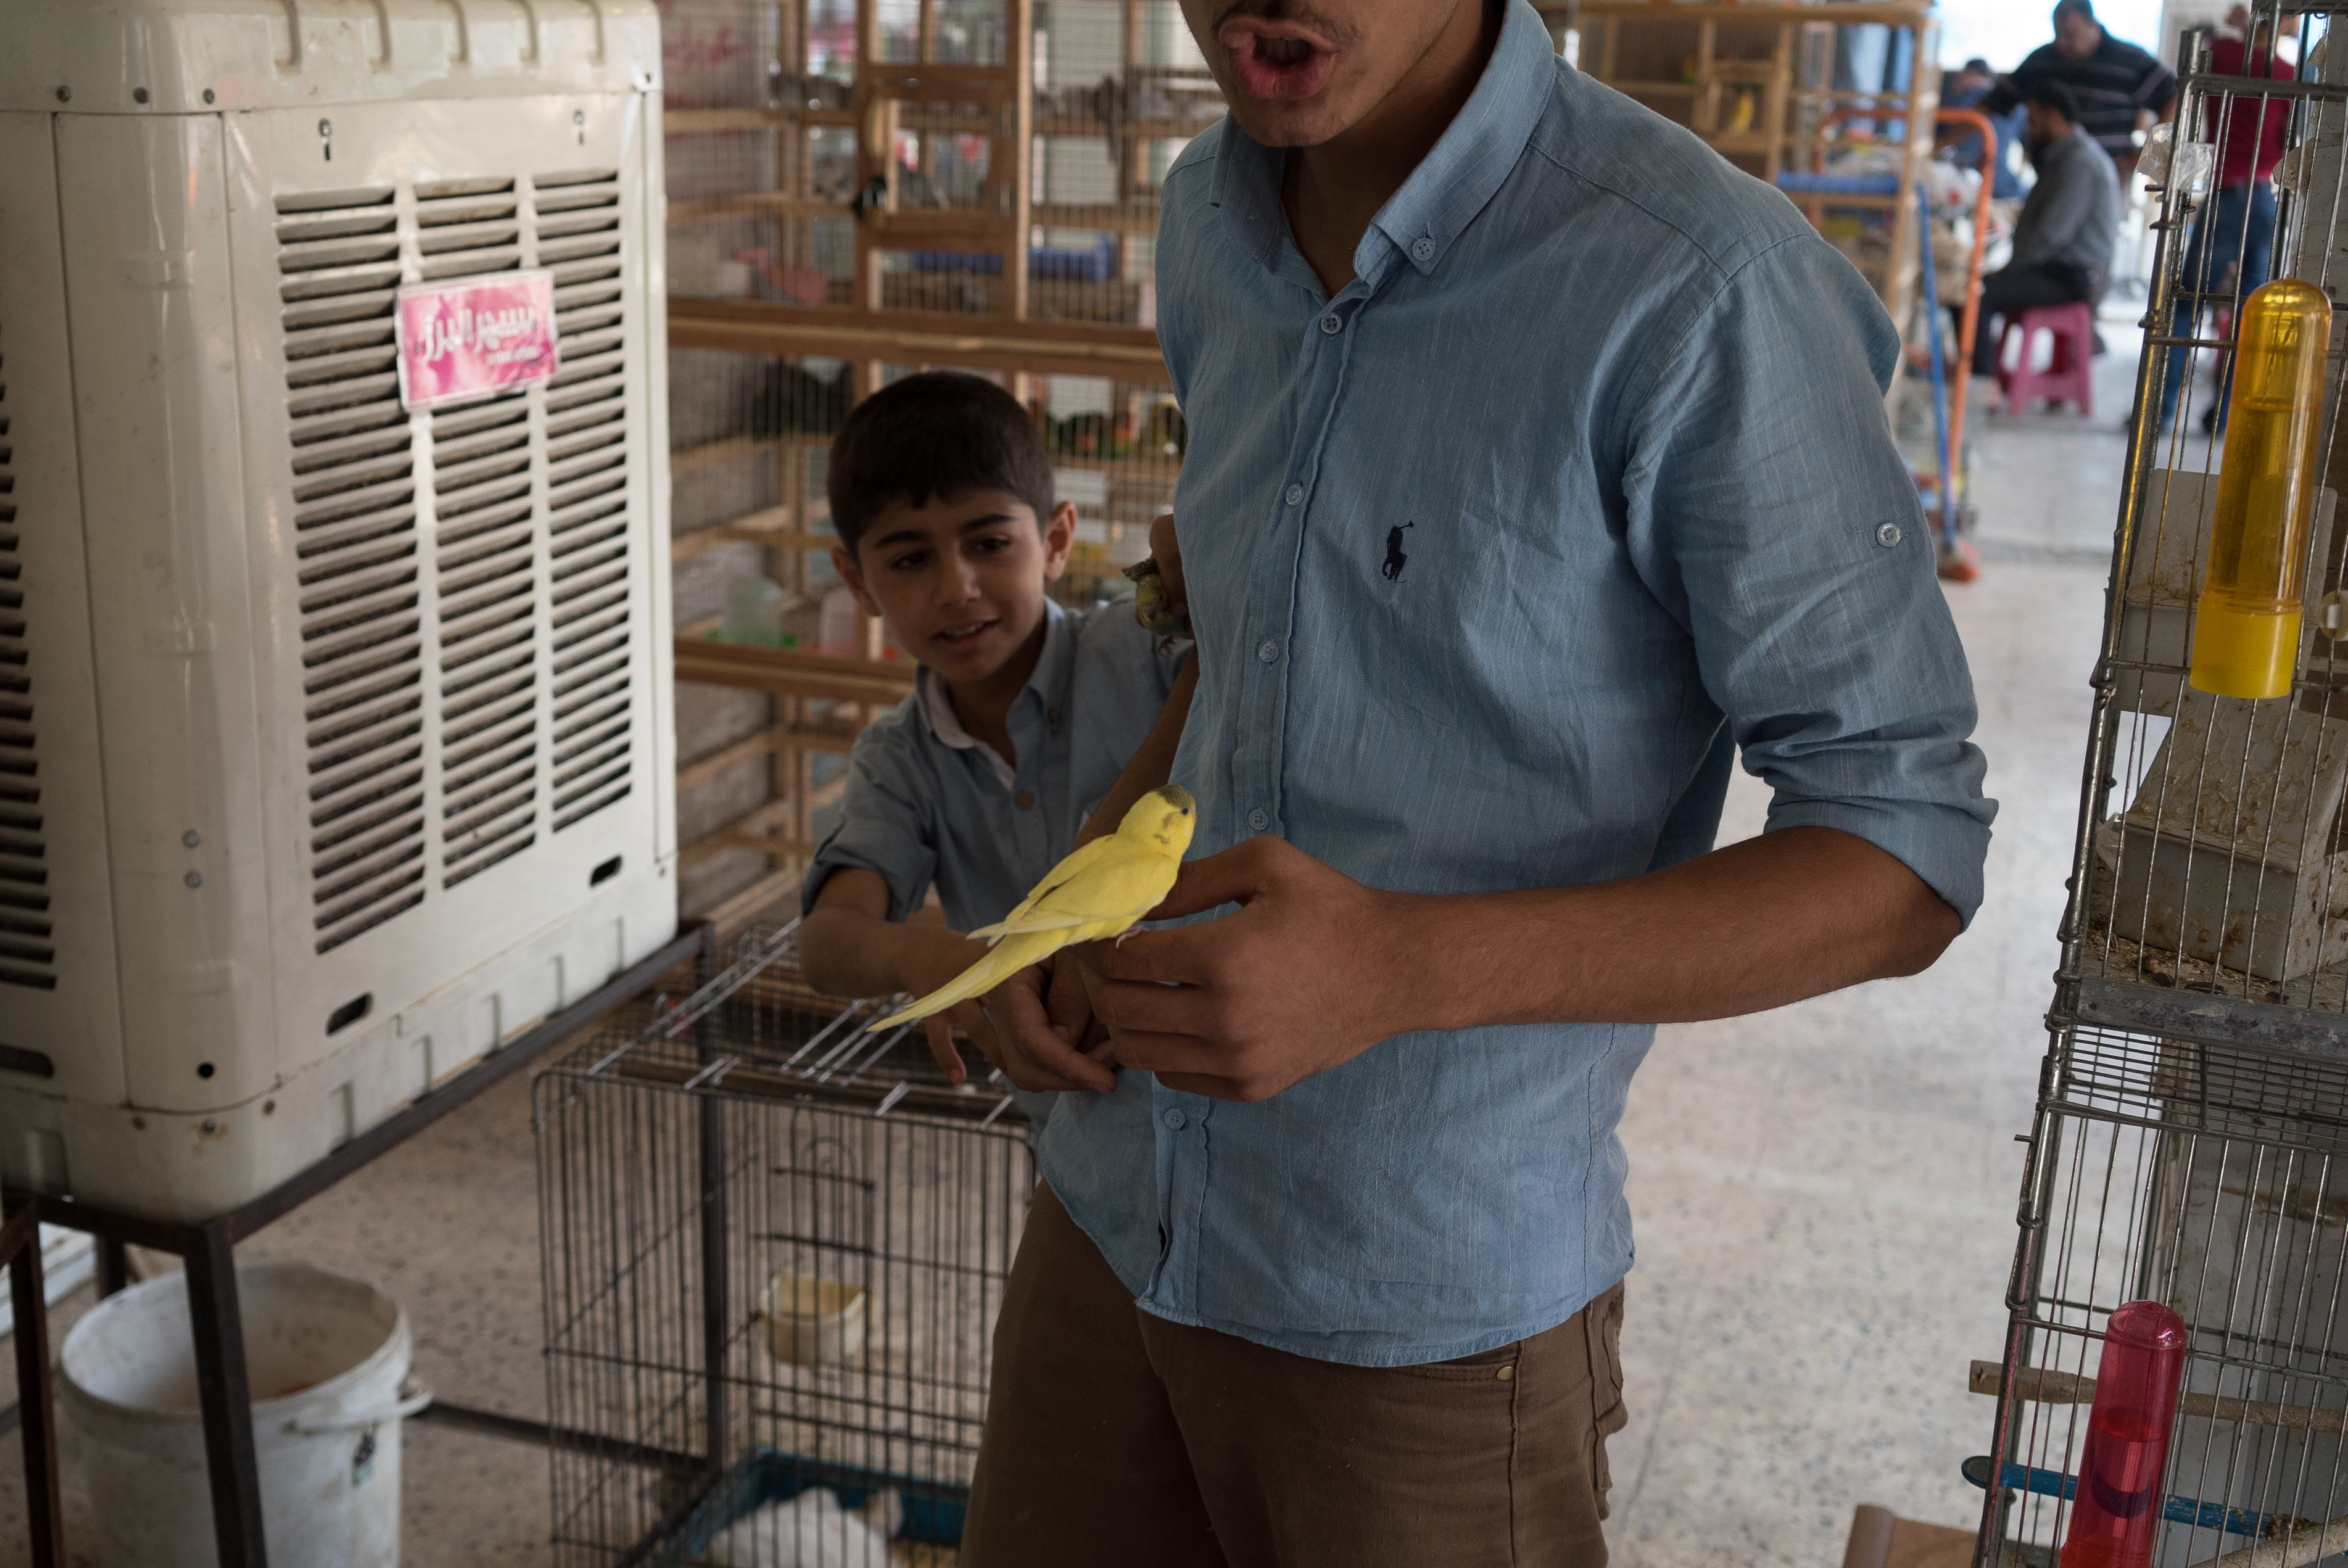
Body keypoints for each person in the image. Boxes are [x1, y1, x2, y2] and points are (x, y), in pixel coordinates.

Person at [954, 0, 1995, 1562]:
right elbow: (1245, 653)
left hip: (1417, 1300)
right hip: (1116, 1200)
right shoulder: (1203, 223)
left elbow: (1899, 853)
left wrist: (1395, 969)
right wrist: (1067, 906)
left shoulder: (1696, 285)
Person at [792, 373, 1194, 1087]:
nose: (956, 587)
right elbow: (826, 942)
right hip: (1078, 1116)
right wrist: (941, 964)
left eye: (989, 543)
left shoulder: (1150, 654)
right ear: (857, 584)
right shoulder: (899, 761)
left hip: (1215, 1087)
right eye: (910, 559)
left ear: (1057, 539)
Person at [2157, 6, 2295, 435]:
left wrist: (2240, 28)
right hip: (2264, 198)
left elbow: (2182, 105)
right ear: (2287, 21)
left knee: (2187, 305)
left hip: (2226, 195)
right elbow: (2286, 142)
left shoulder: (2222, 55)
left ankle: (2159, 412)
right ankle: (2223, 417)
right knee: (2250, 312)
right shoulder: (2289, 74)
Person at [1972, 81, 2122, 382]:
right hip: (2056, 269)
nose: (2028, 128)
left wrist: (2011, 269)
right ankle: (1979, 370)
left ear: (2053, 116)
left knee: (1980, 294)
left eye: (2032, 119)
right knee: (1974, 285)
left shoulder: (2080, 163)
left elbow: (2052, 235)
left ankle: (1981, 383)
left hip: (2073, 276)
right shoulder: (2062, 157)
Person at [1983, 0, 2178, 179]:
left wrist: (2151, 155)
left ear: (2092, 25)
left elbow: (2174, 95)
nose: (2062, 43)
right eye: (2058, 35)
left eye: (2071, 35)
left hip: (2108, 177)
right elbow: (1992, 104)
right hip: (2051, 176)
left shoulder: (2131, 60)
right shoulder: (2042, 60)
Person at [1941, 56, 2028, 200]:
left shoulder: (1956, 102)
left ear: (1973, 75)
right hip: (2001, 188)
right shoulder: (2018, 109)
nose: (1957, 83)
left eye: (1961, 77)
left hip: (1959, 184)